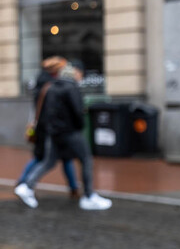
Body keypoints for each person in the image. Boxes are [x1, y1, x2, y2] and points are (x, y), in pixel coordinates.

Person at [14, 63, 112, 211]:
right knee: (86, 159)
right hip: (70, 131)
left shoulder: (52, 88)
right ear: (75, 73)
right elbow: (78, 112)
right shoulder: (71, 88)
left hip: (54, 132)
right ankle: (89, 196)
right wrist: (79, 126)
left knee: (48, 161)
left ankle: (26, 186)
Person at [16, 56, 80, 198]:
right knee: (52, 159)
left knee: (44, 158)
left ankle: (23, 182)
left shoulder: (42, 83)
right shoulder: (51, 86)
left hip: (46, 128)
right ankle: (25, 183)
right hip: (50, 129)